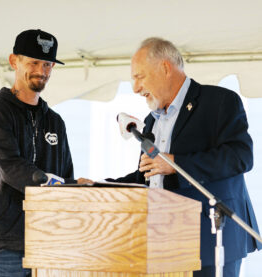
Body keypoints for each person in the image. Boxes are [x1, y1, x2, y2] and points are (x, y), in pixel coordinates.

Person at [106, 37, 262, 277]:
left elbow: (241, 156)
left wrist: (175, 163)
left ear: (165, 68)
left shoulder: (219, 102)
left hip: (213, 240)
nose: (135, 88)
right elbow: (147, 177)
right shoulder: (151, 121)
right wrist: (98, 187)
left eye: (139, 77)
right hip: (164, 244)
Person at [0, 29, 91, 277]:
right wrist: (65, 184)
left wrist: (78, 187)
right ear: (14, 61)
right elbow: (12, 169)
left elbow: (65, 173)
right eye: (34, 62)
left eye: (48, 64)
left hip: (48, 243)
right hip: (2, 245)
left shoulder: (55, 122)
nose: (42, 71)